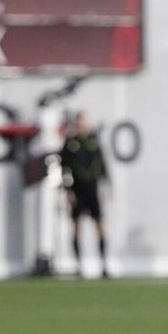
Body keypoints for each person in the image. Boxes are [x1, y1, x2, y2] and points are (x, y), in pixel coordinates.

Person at [60, 111, 111, 278]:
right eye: (78, 123)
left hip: (92, 189)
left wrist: (107, 185)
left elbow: (102, 164)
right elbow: (63, 168)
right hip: (77, 189)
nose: (81, 126)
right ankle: (78, 265)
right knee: (76, 227)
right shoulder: (70, 144)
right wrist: (68, 190)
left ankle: (104, 265)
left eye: (83, 123)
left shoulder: (93, 142)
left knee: (100, 225)